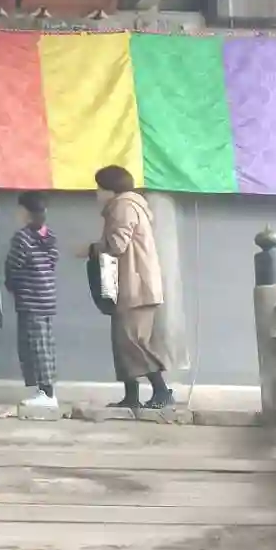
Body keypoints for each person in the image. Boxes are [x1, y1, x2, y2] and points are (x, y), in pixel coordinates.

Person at [91, 165, 174, 412]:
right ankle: (131, 396)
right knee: (122, 343)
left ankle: (162, 391)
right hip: (135, 286)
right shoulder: (127, 206)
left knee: (132, 342)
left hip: (136, 286)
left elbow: (117, 245)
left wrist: (92, 249)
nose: (96, 193)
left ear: (110, 189)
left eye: (99, 188)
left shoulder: (123, 206)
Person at [4, 191, 59, 418]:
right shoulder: (50, 236)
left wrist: (11, 285)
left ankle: (47, 393)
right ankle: (45, 390)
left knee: (35, 347)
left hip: (30, 299)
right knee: (45, 346)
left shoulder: (22, 237)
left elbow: (13, 266)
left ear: (25, 212)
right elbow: (52, 262)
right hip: (46, 298)